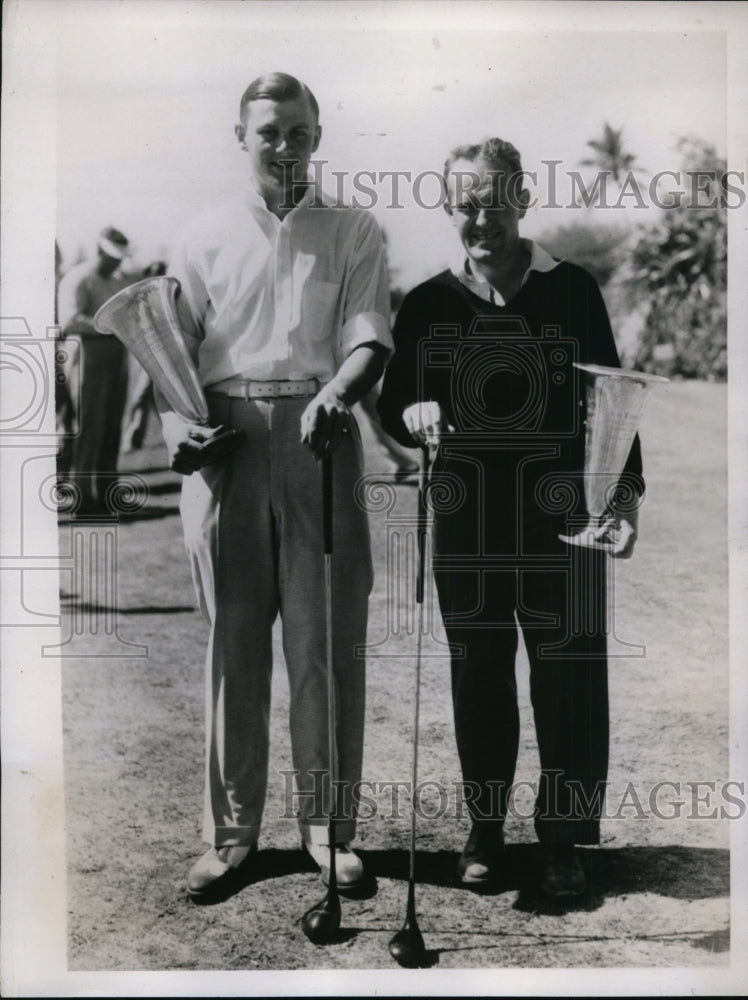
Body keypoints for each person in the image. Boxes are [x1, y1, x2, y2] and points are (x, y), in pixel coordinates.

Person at [377, 137, 643, 898]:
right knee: (478, 675)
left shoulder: (573, 289)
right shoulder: (428, 302)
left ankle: (564, 837)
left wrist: (623, 500)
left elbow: (615, 404)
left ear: (523, 199)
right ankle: (485, 827)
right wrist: (412, 408)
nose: (478, 219)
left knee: (568, 676)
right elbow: (396, 400)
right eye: (463, 204)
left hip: (562, 520)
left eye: (493, 202)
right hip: (468, 521)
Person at [158, 73, 392, 901]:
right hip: (226, 446)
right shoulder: (201, 234)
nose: (284, 147)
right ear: (241, 137)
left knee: (324, 649)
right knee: (235, 650)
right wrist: (174, 428)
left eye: (298, 132)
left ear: (318, 136)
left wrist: (337, 394)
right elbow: (170, 357)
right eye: (269, 133)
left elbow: (368, 337)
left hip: (320, 438)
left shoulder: (355, 228)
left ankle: (328, 831)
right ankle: (232, 837)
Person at [56, 227, 137, 513]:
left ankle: (105, 492)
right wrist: (107, 326)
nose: (117, 262)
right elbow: (69, 320)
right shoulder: (79, 278)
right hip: (86, 355)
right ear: (99, 251)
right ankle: (80, 494)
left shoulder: (116, 280)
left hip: (115, 356)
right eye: (112, 257)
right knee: (87, 426)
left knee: (111, 426)